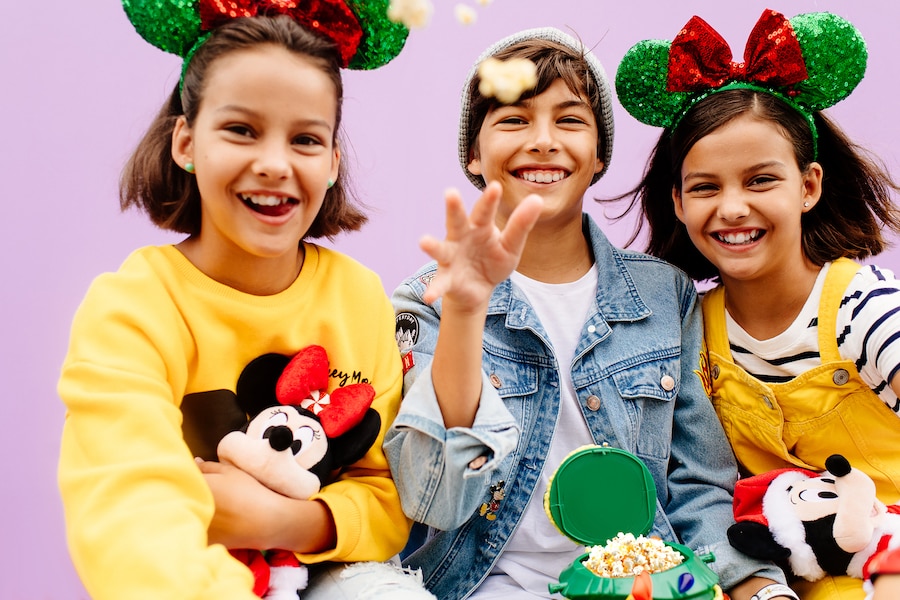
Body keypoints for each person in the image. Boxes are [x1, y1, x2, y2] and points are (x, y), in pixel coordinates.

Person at [384, 27, 791, 600]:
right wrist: (465, 314)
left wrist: (759, 587)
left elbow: (698, 485)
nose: (544, 140)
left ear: (599, 153)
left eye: (570, 120)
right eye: (513, 119)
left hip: (649, 582)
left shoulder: (663, 295)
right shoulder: (424, 304)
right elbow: (434, 498)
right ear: (474, 153)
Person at [57, 4, 435, 599]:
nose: (274, 164)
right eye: (241, 130)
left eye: (306, 139)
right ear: (185, 140)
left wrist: (273, 519)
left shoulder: (358, 296)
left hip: (324, 572)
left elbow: (386, 498)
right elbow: (128, 506)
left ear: (333, 163)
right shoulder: (133, 306)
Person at [615, 8, 900, 600]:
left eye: (760, 180)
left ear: (809, 186)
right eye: (705, 187)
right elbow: (701, 492)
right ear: (676, 202)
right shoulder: (692, 331)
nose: (733, 207)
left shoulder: (868, 311)